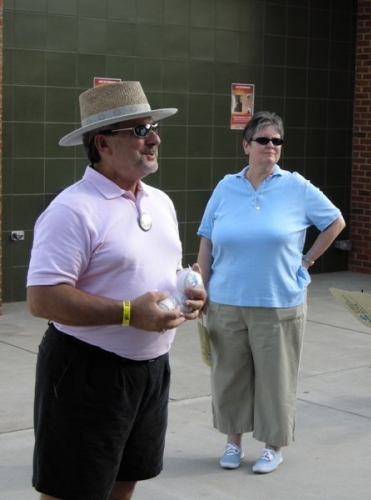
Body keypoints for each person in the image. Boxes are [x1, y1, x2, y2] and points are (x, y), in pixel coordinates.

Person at [27, 81, 207, 500]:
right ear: (103, 144)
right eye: (141, 130)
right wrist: (128, 313)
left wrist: (188, 291)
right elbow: (42, 298)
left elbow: (160, 268)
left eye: (153, 128)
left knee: (125, 483)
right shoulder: (72, 210)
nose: (155, 139)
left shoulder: (160, 202)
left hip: (150, 371)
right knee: (71, 491)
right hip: (86, 372)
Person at [197, 111, 345, 474]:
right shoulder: (226, 187)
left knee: (275, 380)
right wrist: (202, 288)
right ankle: (233, 442)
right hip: (226, 301)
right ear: (246, 145)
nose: (271, 146)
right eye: (263, 139)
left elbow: (335, 222)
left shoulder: (296, 186)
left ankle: (272, 447)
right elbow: (207, 240)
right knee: (229, 376)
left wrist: (306, 262)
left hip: (278, 302)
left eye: (277, 140)